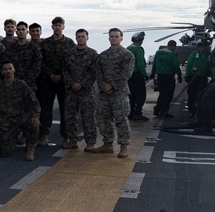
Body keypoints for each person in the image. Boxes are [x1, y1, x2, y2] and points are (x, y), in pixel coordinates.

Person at [92, 28, 134, 157]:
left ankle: (124, 145)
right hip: (104, 92)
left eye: (116, 36)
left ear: (121, 38)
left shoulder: (127, 55)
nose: (114, 38)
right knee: (103, 118)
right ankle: (107, 144)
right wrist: (103, 85)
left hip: (119, 92)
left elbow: (127, 73)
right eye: (112, 36)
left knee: (121, 119)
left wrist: (113, 86)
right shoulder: (103, 55)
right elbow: (98, 72)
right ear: (108, 38)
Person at [0, 61, 41, 160]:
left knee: (34, 125)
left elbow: (33, 102)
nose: (8, 71)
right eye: (5, 69)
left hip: (20, 117)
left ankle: (30, 148)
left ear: (14, 70)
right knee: (5, 152)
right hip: (6, 121)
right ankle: (13, 139)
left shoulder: (21, 85)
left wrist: (36, 116)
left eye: (10, 68)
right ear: (2, 72)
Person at [38, 16, 75, 146]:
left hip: (63, 81)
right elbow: (40, 62)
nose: (57, 27)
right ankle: (43, 135)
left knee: (65, 109)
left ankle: (66, 137)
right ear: (52, 26)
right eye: (55, 25)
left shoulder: (70, 43)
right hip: (48, 81)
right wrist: (50, 74)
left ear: (63, 26)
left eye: (60, 25)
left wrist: (62, 75)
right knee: (46, 108)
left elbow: (72, 63)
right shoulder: (45, 43)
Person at [62, 29, 98, 150]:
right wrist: (72, 83)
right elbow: (65, 70)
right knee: (70, 116)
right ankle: (72, 140)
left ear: (87, 38)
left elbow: (94, 72)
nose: (80, 38)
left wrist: (82, 84)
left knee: (88, 117)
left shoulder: (93, 54)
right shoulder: (69, 53)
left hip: (86, 91)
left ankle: (90, 142)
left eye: (83, 36)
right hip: (71, 90)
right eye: (78, 36)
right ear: (76, 38)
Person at [151, 40, 183, 118]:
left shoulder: (158, 53)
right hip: (169, 77)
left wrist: (152, 74)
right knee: (168, 95)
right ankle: (164, 112)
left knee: (161, 94)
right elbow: (176, 66)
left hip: (160, 77)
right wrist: (179, 76)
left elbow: (154, 64)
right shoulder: (173, 54)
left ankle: (157, 110)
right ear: (173, 46)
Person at [7, 21, 42, 89]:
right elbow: (5, 65)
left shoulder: (34, 49)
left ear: (27, 32)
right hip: (13, 84)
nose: (21, 32)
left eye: (23, 29)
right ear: (16, 32)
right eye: (19, 30)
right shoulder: (10, 49)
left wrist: (26, 81)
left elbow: (36, 67)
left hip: (30, 85)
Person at [184, 39, 211, 117]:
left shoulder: (209, 54)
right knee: (191, 93)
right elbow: (188, 65)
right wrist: (187, 75)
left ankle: (197, 110)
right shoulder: (194, 54)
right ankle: (191, 109)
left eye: (203, 46)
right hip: (193, 77)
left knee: (199, 94)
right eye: (200, 46)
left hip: (203, 78)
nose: (201, 48)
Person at [126, 31, 149, 121]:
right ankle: (138, 113)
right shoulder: (139, 49)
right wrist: (145, 75)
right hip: (137, 75)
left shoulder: (128, 48)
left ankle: (131, 114)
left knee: (132, 96)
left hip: (129, 76)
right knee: (141, 95)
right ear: (140, 40)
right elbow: (140, 64)